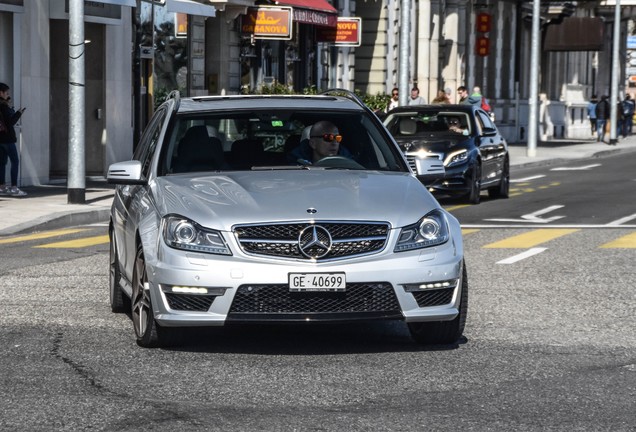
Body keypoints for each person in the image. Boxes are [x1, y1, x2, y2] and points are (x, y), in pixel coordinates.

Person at [0, 82, 27, 197]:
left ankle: (1, 187)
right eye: (6, 92)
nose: (8, 94)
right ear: (0, 93)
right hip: (8, 139)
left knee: (2, 163)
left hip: (0, 139)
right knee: (14, 162)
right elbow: (10, 122)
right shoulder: (3, 107)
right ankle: (14, 187)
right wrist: (18, 113)